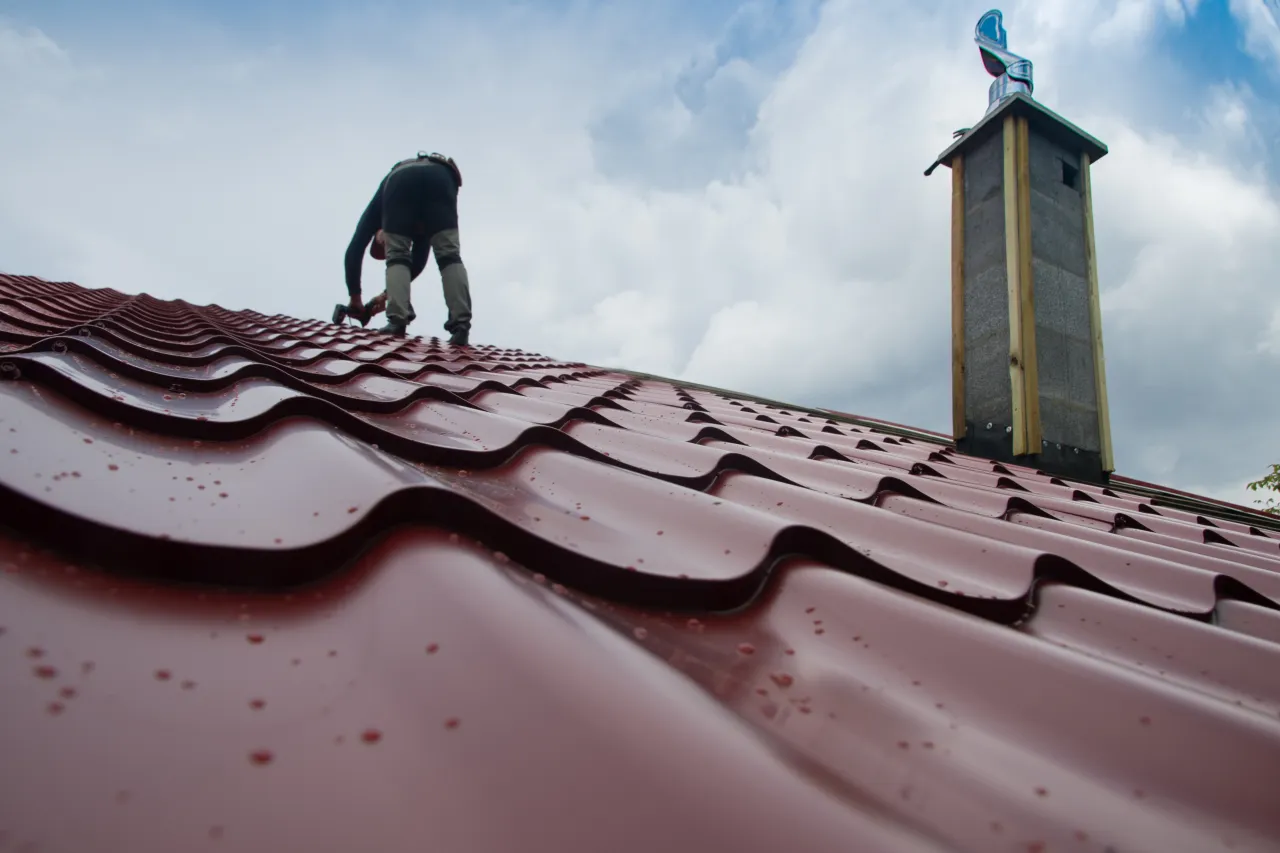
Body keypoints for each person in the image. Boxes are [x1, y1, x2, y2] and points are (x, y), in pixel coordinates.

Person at [340, 152, 472, 344]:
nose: (386, 245)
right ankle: (461, 328)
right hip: (441, 176)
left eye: (382, 245)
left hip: (402, 179)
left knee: (398, 255)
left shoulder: (380, 208)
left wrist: (355, 299)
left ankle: (397, 322)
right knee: (449, 256)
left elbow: (354, 249)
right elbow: (417, 262)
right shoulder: (418, 224)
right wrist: (386, 295)